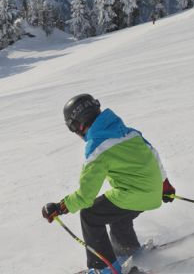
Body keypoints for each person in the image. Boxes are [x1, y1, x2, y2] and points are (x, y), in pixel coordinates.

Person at [41, 94, 175, 274]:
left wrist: (61, 207)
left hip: (135, 195)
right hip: (154, 193)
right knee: (115, 209)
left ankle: (103, 268)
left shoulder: (97, 147)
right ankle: (127, 249)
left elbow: (85, 196)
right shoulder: (129, 132)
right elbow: (153, 154)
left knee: (90, 214)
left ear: (79, 125)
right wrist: (164, 185)